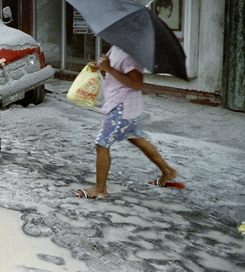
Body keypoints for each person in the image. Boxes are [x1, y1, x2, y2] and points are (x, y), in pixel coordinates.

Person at [75, 46, 178, 199]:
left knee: (102, 144)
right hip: (125, 106)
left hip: (122, 107)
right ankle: (168, 171)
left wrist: (109, 69)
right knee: (137, 138)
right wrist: (101, 67)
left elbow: (137, 84)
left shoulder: (131, 54)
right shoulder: (117, 47)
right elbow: (115, 69)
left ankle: (100, 189)